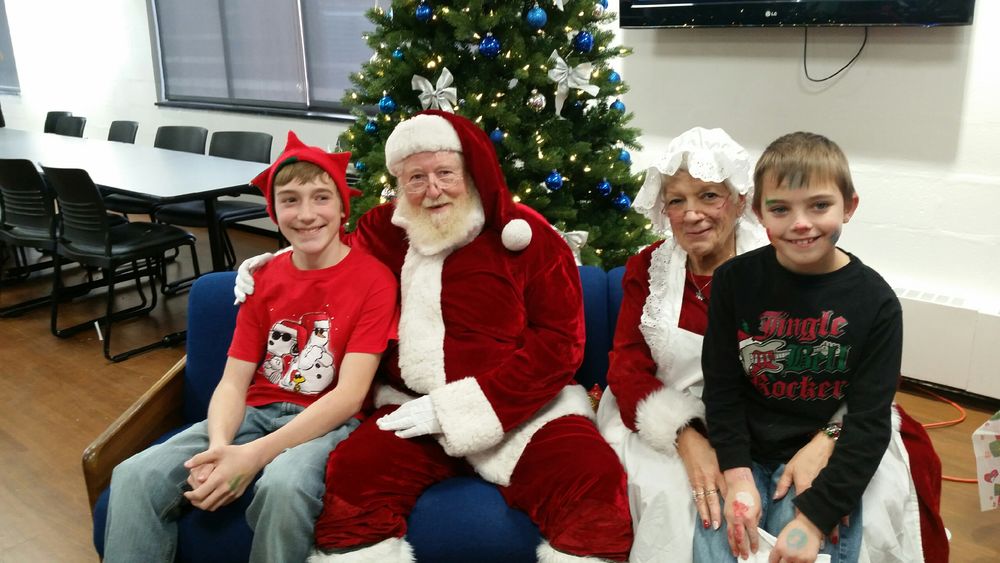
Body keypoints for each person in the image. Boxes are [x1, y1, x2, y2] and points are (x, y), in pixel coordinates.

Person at [236, 110, 633, 562]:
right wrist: (275, 264)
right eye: (416, 178)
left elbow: (560, 344)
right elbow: (335, 262)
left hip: (525, 411)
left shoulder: (526, 236)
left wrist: (470, 407)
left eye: (445, 173)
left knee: (592, 479)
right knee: (353, 476)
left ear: (471, 172)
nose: (433, 189)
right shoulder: (381, 233)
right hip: (411, 410)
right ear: (399, 183)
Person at [599, 128, 947, 563]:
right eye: (676, 200)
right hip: (704, 423)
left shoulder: (805, 264)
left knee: (842, 524)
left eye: (709, 196)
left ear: (742, 203)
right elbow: (688, 379)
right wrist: (701, 446)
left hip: (812, 424)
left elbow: (864, 401)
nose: (692, 214)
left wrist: (825, 457)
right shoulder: (678, 273)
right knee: (689, 516)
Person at [104, 132, 399, 563]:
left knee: (284, 486)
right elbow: (232, 381)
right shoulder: (263, 278)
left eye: (321, 198)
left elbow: (349, 395)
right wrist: (220, 449)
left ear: (341, 208)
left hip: (326, 423)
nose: (306, 214)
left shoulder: (374, 280)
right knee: (133, 475)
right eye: (290, 200)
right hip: (254, 413)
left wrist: (252, 458)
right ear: (273, 212)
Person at [695, 131, 912, 563]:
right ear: (759, 214)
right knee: (721, 550)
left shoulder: (878, 303)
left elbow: (869, 422)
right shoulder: (733, 282)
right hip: (746, 451)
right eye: (780, 208)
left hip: (826, 453)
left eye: (819, 205)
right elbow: (721, 387)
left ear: (848, 206)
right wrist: (736, 474)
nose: (800, 223)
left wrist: (813, 520)